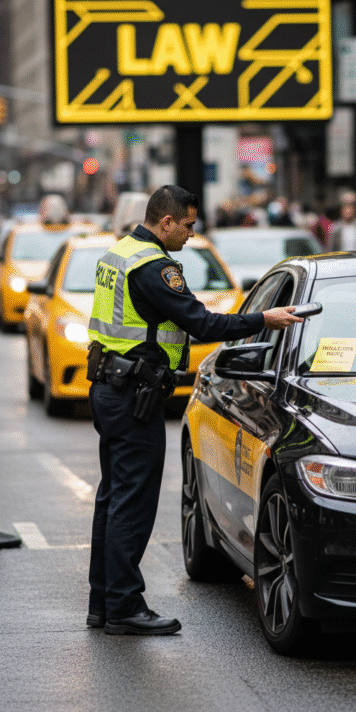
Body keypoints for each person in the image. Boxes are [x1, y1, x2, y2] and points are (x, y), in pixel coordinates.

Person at [85, 184, 303, 636]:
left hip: (110, 387)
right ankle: (124, 605)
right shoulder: (153, 267)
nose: (190, 233)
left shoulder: (119, 252)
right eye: (186, 224)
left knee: (112, 498)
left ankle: (103, 602)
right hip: (132, 395)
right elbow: (201, 322)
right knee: (132, 503)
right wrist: (265, 319)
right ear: (165, 222)